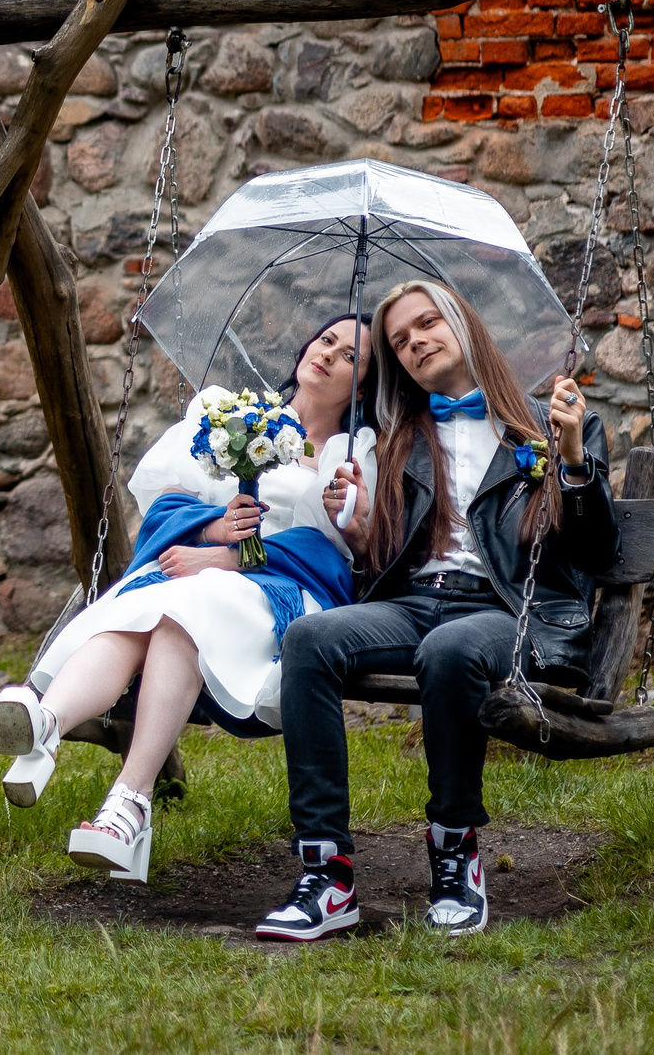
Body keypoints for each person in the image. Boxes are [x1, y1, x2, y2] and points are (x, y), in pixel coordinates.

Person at [254, 279, 616, 943]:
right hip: (416, 603)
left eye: (427, 324)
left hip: (509, 609)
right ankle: (326, 873)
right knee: (308, 639)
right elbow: (385, 559)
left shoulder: (548, 422)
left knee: (448, 650)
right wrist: (361, 526)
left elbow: (597, 548)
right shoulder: (398, 437)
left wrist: (569, 458)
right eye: (400, 339)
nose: (416, 341)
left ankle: (455, 849)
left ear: (463, 325)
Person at [0, 314, 373, 885]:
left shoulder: (354, 455)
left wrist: (242, 557)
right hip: (190, 577)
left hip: (283, 597)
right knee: (151, 606)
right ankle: (49, 724)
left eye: (349, 357)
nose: (329, 354)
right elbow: (165, 506)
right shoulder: (229, 414)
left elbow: (343, 562)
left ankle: (129, 800)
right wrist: (217, 530)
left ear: (363, 386)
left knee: (189, 603)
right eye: (327, 339)